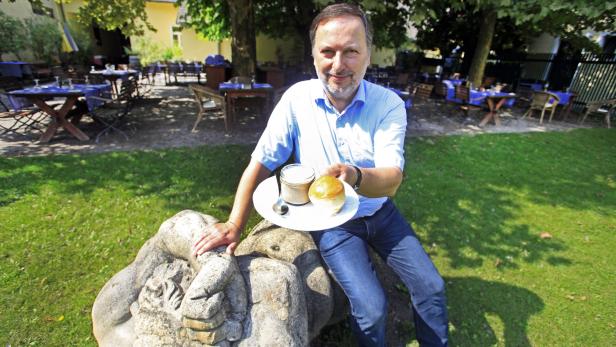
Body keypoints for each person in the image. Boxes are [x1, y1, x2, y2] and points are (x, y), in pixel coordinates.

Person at [192, 3, 448, 346]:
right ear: (313, 55)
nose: (338, 64)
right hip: (332, 224)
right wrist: (235, 224)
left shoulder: (388, 105)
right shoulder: (297, 100)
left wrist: (354, 175)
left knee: (432, 287)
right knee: (371, 307)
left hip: (381, 215)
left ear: (368, 55)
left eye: (351, 52)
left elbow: (392, 179)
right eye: (328, 51)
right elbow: (261, 162)